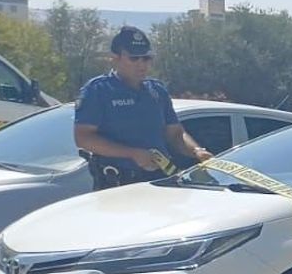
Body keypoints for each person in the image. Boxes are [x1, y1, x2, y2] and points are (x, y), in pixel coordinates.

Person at [74, 26, 212, 190]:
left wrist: (197, 151)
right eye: (134, 58)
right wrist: (132, 153)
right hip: (118, 183)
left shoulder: (157, 91)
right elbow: (83, 138)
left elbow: (175, 134)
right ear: (115, 58)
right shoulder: (98, 90)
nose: (142, 64)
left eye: (146, 58)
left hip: (160, 179)